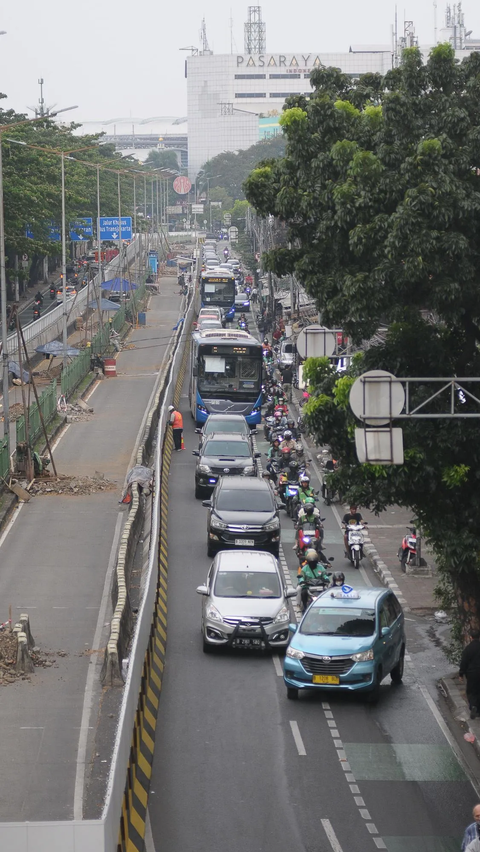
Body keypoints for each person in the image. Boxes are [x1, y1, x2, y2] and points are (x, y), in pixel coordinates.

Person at [460, 633, 480, 719]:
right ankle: (478, 710)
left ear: (471, 637)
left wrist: (461, 674)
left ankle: (473, 706)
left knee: (471, 691)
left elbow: (463, 662)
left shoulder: (468, 649)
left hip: (472, 674)